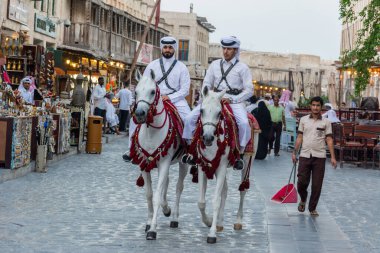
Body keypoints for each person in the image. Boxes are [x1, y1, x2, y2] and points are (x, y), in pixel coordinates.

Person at [183, 36, 253, 170]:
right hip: (214, 99)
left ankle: (240, 154)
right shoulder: (214, 65)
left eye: (229, 49)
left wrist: (233, 99)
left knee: (244, 123)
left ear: (235, 50)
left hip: (234, 100)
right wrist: (209, 96)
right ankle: (191, 151)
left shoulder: (243, 68)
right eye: (224, 48)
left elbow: (249, 90)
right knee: (190, 118)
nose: (226, 51)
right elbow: (207, 83)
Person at [123, 36, 191, 162]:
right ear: (161, 49)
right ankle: (131, 148)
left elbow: (185, 90)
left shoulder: (182, 67)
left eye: (170, 47)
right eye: (165, 47)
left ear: (174, 49)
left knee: (189, 118)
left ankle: (189, 150)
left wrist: (169, 97)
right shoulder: (152, 65)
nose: (167, 50)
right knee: (135, 118)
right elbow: (143, 85)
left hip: (176, 99)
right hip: (153, 99)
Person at [292, 96, 337, 217]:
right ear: (310, 106)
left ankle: (312, 207)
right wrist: (294, 152)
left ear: (321, 107)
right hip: (305, 155)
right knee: (301, 182)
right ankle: (303, 199)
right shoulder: (303, 120)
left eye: (318, 105)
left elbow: (329, 139)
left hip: (320, 156)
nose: (315, 107)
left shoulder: (326, 122)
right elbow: (300, 137)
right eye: (313, 105)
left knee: (317, 184)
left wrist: (332, 157)